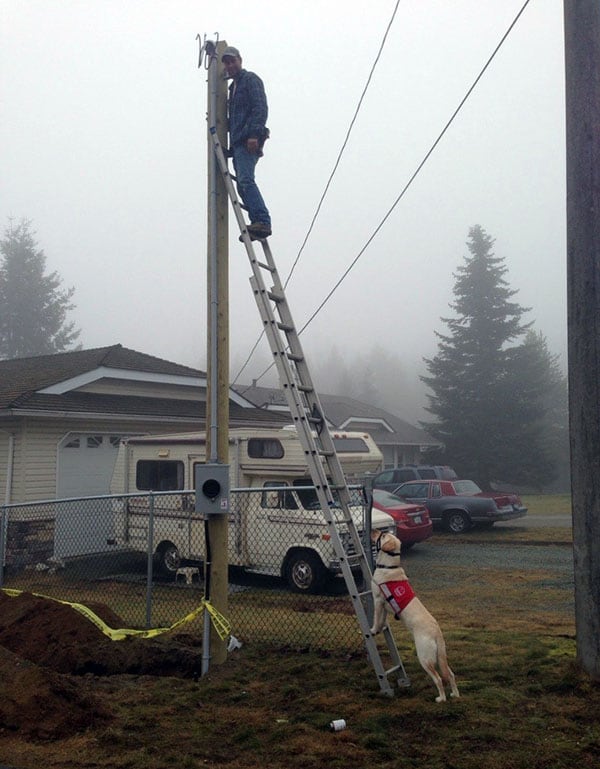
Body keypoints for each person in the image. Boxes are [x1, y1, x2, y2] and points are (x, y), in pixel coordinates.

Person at [221, 46, 271, 240]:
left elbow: (260, 107)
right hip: (238, 143)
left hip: (248, 140)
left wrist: (254, 135)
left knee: (246, 180)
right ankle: (256, 224)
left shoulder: (250, 80)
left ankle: (262, 221)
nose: (230, 66)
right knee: (242, 185)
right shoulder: (232, 89)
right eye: (226, 63)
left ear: (240, 60)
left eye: (232, 61)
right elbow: (235, 120)